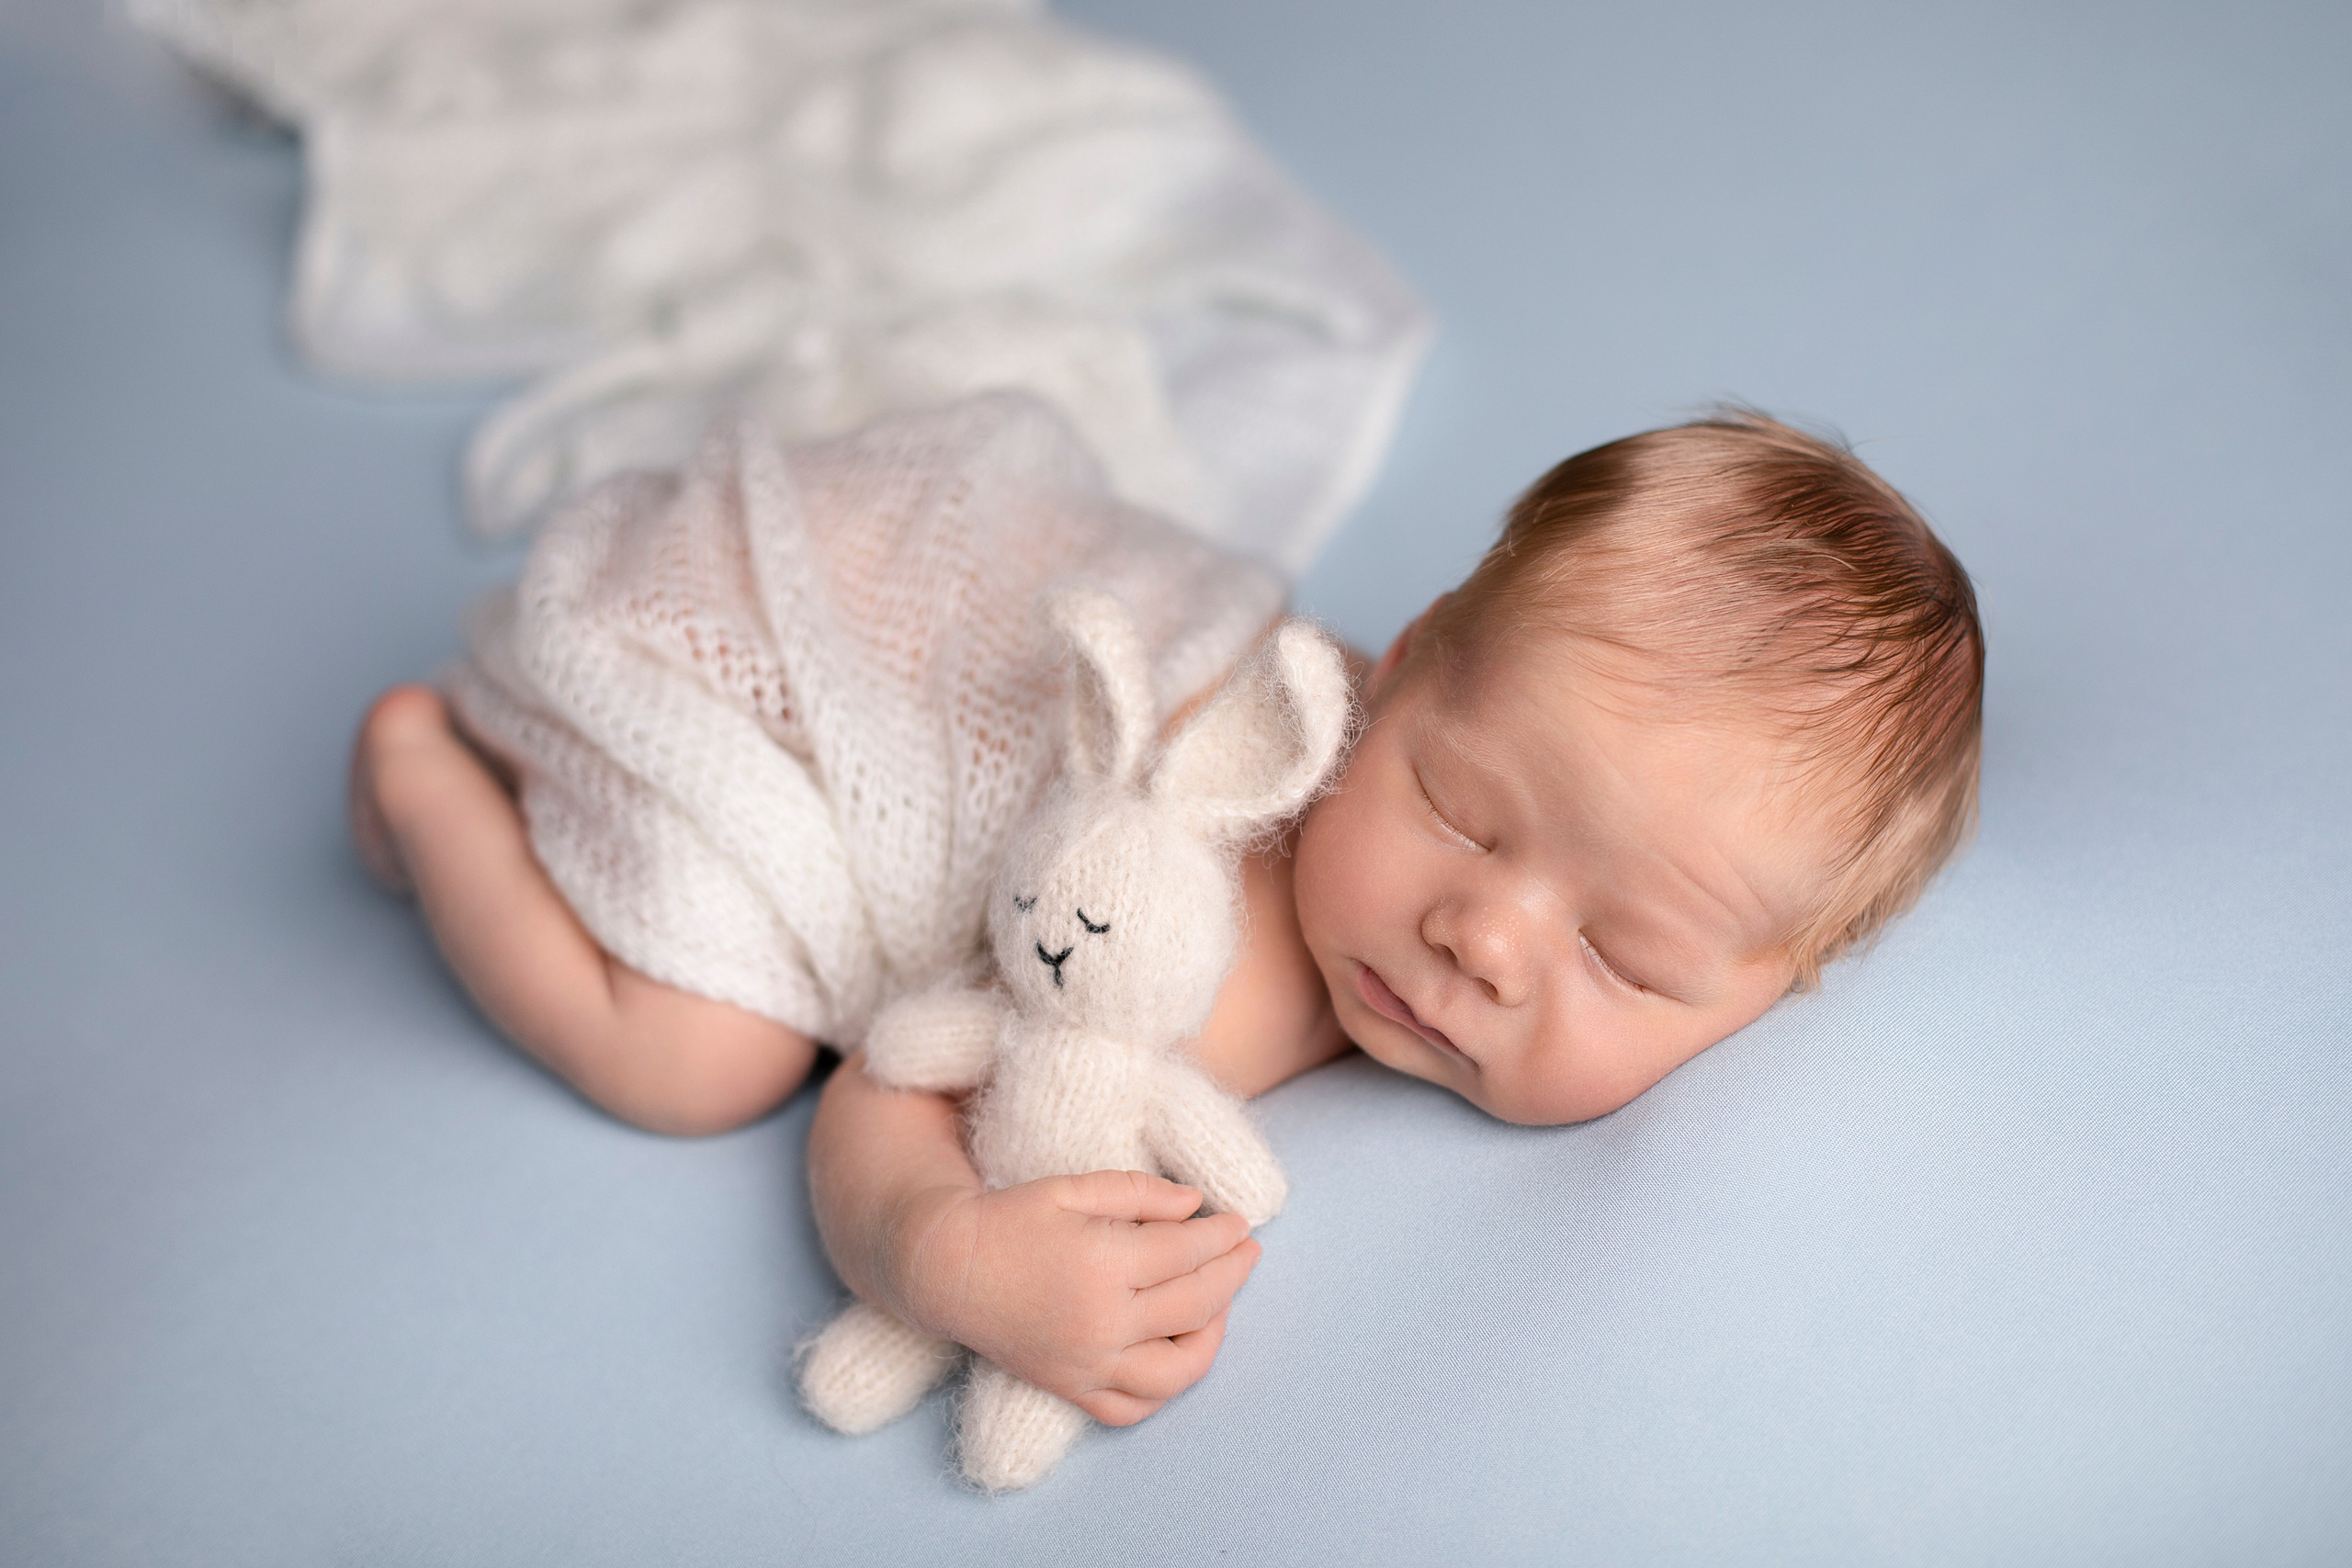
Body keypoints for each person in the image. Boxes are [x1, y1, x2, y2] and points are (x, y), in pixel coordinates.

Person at [349, 390, 1982, 1434]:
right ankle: (429, 784)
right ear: (1398, 672)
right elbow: (887, 1091)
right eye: (1458, 811)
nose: (1481, 939)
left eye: (1619, 955)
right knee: (694, 1062)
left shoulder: (1523, 854)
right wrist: (939, 1247)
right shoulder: (1213, 914)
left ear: (1775, 991)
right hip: (753, 666)